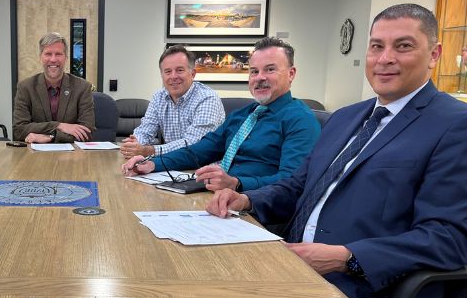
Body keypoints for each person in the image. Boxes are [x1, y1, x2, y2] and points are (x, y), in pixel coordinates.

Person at [207, 4, 467, 298]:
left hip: (365, 295)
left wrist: (347, 258)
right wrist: (245, 198)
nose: (385, 58)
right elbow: (299, 184)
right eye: (376, 46)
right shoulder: (345, 117)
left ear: (434, 54)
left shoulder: (454, 125)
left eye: (403, 46)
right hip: (289, 268)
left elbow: (448, 238)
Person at [122, 37, 320, 192]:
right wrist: (151, 164)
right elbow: (198, 151)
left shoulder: (300, 119)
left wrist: (237, 183)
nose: (260, 78)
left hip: (256, 210)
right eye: (253, 71)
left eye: (270, 70)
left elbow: (292, 181)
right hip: (217, 196)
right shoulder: (242, 115)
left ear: (291, 74)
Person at [120, 45, 224, 159]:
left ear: (193, 73)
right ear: (162, 75)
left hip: (204, 167)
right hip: (170, 164)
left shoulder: (207, 98)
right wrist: (134, 143)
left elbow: (194, 143)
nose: (173, 76)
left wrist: (150, 151)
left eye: (179, 70)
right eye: (168, 71)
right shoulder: (159, 97)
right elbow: (146, 129)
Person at [13, 32, 96, 143]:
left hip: (72, 157)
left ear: (66, 57)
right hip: (34, 156)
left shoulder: (82, 87)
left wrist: (51, 137)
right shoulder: (25, 87)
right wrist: (58, 126)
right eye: (48, 54)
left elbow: (87, 133)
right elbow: (19, 130)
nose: (53, 59)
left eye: (58, 54)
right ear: (40, 57)